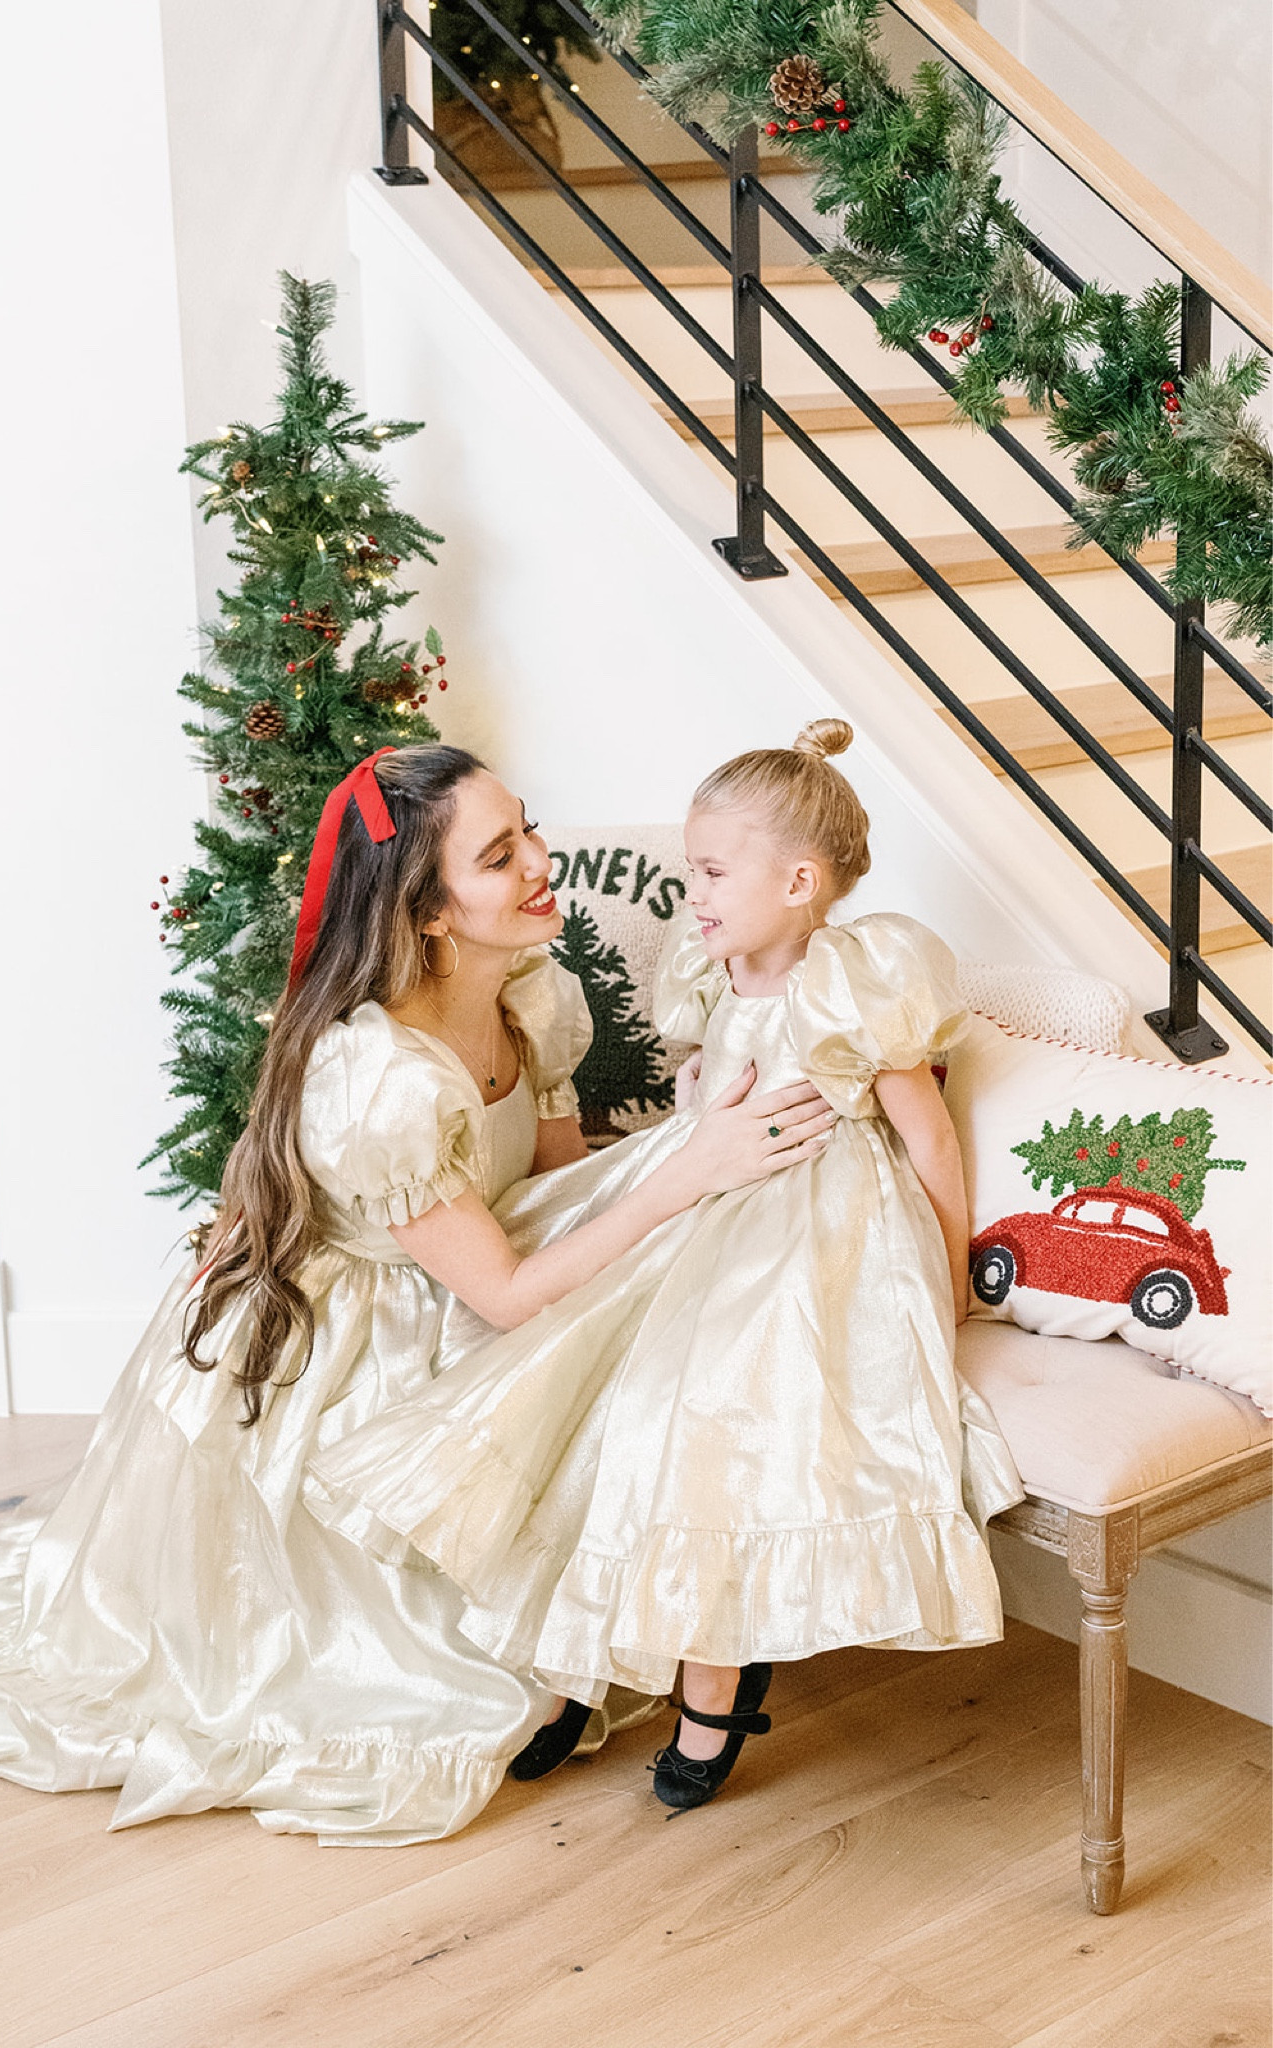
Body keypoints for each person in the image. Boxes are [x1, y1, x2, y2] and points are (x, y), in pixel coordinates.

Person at [0, 743, 832, 1845]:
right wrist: (688, 1164)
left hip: (477, 1278)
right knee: (429, 1663)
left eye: (527, 827)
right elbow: (502, 1291)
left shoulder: (532, 990)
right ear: (429, 911)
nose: (543, 861)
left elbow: (547, 1186)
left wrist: (677, 1164)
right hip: (357, 1347)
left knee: (665, 1308)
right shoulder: (378, 1076)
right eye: (499, 856)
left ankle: (707, 1619)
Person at [307, 722, 1025, 1814]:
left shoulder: (853, 981)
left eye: (708, 871)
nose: (688, 893)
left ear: (796, 879)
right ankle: (568, 1667)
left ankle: (714, 1690)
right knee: (609, 1402)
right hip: (706, 1203)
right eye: (692, 868)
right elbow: (708, 1072)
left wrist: (946, 1273)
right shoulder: (719, 966)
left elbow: (924, 1135)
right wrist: (697, 1099)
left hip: (809, 1230)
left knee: (716, 1425)